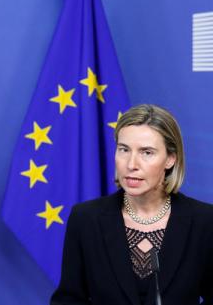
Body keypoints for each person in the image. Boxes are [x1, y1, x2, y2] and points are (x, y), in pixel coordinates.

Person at [50, 104, 213, 305]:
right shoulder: (85, 219)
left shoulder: (204, 221)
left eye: (147, 152)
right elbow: (69, 300)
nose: (131, 164)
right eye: (124, 150)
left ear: (170, 159)